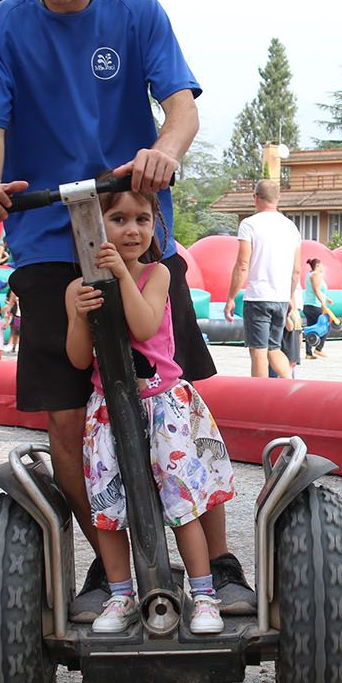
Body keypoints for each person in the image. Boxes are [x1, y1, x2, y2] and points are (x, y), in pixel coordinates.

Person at [0, 0, 254, 619]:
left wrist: (164, 150)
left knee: (176, 405)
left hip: (135, 227)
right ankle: (114, 571)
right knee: (66, 418)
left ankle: (214, 564)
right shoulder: (2, 27)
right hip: (49, 238)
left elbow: (179, 109)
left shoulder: (137, 13)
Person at [65, 184, 235, 635]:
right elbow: (80, 359)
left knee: (181, 504)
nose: (132, 229)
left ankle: (203, 594)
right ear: (95, 228)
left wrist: (121, 274)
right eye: (118, 220)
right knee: (110, 506)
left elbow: (142, 324)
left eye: (142, 219)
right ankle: (120, 595)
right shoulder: (76, 288)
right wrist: (80, 316)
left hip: (163, 408)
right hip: (108, 412)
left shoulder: (156, 274)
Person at [223, 179, 302, 379]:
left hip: (258, 297)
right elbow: (297, 270)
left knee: (258, 352)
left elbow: (242, 264)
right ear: (278, 199)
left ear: (255, 198)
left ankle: (258, 402)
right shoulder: (291, 227)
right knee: (274, 349)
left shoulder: (249, 224)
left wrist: (231, 298)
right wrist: (290, 296)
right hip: (281, 298)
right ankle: (293, 389)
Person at [304, 257, 338, 360]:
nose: (323, 267)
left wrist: (327, 298)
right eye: (321, 265)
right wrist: (323, 303)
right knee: (327, 325)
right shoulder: (315, 275)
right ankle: (319, 348)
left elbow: (318, 291)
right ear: (317, 265)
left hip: (309, 305)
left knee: (310, 328)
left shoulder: (310, 275)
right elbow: (316, 290)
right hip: (315, 305)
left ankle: (308, 353)